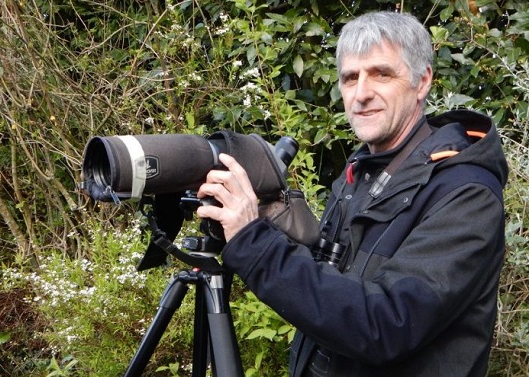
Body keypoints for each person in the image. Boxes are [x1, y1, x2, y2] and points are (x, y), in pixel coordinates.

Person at [196, 11, 508, 377]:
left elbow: (386, 325)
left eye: (381, 74)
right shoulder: (361, 171)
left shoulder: (466, 193)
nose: (361, 94)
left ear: (422, 81)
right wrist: (283, 229)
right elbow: (345, 284)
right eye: (349, 78)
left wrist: (255, 245)